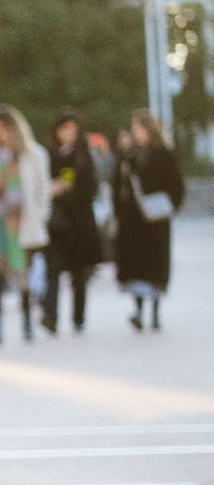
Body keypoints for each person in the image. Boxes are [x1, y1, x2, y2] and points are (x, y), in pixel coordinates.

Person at [0, 105, 50, 346]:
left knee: (24, 277)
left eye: (4, 128)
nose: (1, 134)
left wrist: (41, 215)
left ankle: (27, 323)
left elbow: (42, 190)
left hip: (24, 224)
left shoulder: (33, 154)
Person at [113, 111, 185, 331]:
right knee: (135, 266)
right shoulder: (128, 155)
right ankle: (138, 311)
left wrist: (169, 205)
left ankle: (154, 312)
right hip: (132, 221)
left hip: (155, 220)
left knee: (154, 265)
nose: (136, 133)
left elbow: (176, 185)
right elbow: (118, 185)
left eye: (139, 128)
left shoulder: (163, 154)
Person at [41, 109, 103, 335]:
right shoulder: (48, 154)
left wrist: (65, 190)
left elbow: (90, 188)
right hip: (56, 223)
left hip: (79, 223)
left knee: (79, 274)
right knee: (53, 270)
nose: (68, 134)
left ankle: (78, 317)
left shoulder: (83, 155)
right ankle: (50, 315)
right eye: (64, 129)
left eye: (72, 130)